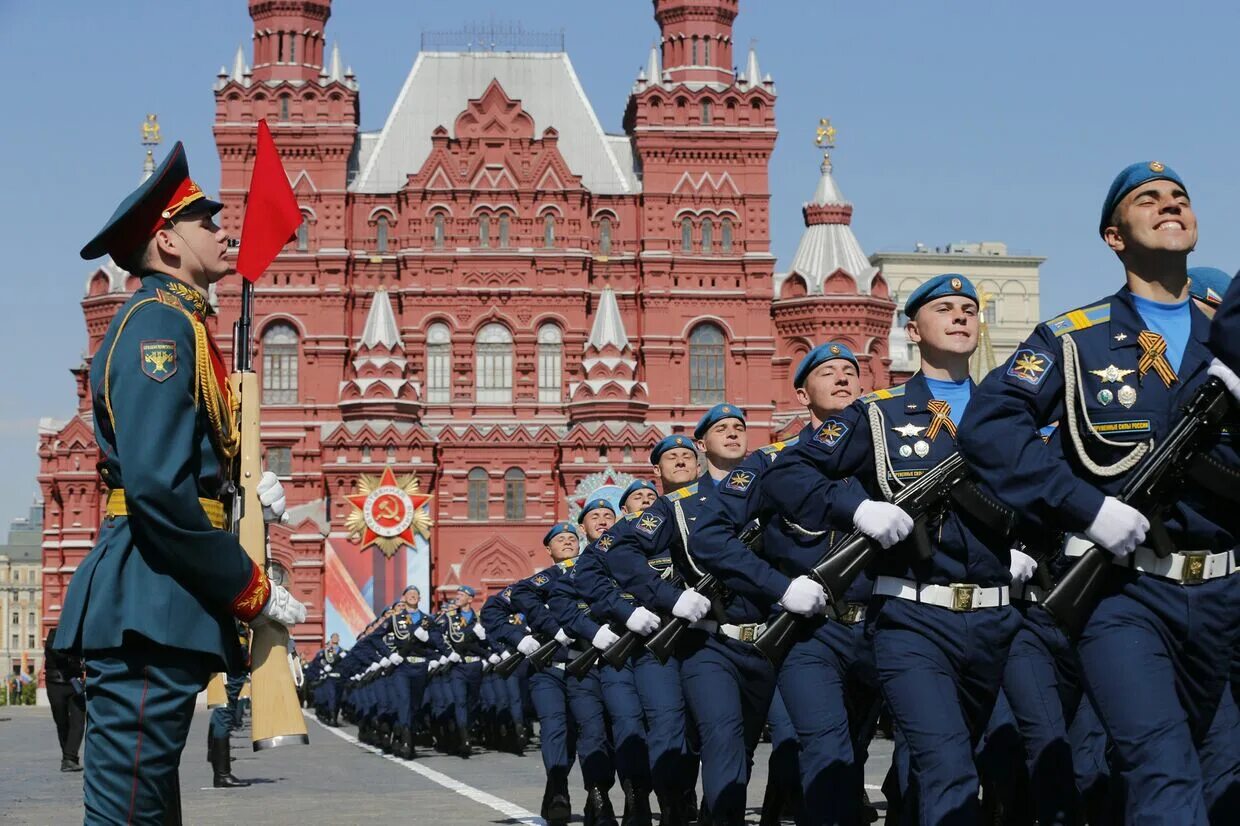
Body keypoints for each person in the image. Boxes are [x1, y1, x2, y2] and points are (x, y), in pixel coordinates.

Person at [960, 162, 1240, 823]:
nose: (1171, 206)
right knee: (1163, 774)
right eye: (1150, 200)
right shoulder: (1074, 338)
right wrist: (1087, 507)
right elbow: (991, 426)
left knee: (1226, 781)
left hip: (1228, 591)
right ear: (1114, 235)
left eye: (1181, 199)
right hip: (1126, 595)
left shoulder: (1223, 332)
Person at [54, 141, 306, 824]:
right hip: (150, 600)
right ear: (166, 241)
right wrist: (247, 587)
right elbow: (160, 491)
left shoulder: (181, 322)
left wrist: (239, 496)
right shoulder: (159, 327)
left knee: (147, 807)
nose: (224, 231)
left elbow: (182, 468)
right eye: (205, 222)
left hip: (161, 599)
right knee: (127, 808)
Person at [697, 342, 878, 825]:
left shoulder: (883, 455)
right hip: (810, 632)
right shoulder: (771, 463)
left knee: (865, 752)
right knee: (827, 750)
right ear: (802, 394)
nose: (843, 378)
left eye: (850, 372)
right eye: (828, 372)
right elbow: (711, 537)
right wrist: (779, 587)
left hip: (884, 626)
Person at [550, 496, 653, 825]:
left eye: (608, 515)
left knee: (631, 726)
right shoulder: (569, 570)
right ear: (583, 527)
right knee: (593, 732)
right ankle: (599, 798)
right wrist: (592, 631)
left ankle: (636, 799)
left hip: (630, 657)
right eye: (595, 516)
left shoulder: (634, 557)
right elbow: (564, 608)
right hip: (586, 661)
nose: (603, 520)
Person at [510, 521, 619, 826]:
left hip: (591, 665)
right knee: (557, 729)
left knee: (595, 733)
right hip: (552, 670)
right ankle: (558, 788)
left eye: (573, 538)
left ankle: (594, 798)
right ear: (549, 549)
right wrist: (545, 629)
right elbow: (506, 600)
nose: (569, 542)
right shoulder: (544, 579)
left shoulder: (591, 572)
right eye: (561, 539)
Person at [44, 627, 86, 773]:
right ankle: (68, 758)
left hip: (75, 684)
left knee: (78, 722)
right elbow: (57, 653)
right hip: (56, 683)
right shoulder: (54, 634)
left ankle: (69, 758)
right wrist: (75, 653)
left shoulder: (80, 635)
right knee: (62, 722)